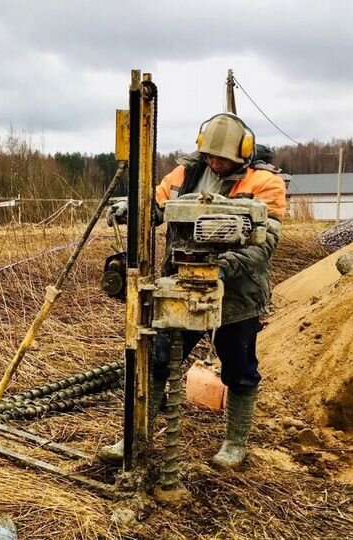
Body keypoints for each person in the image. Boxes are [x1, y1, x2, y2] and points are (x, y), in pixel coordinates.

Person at [100, 113, 286, 469]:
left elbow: (266, 242)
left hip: (237, 294)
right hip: (182, 285)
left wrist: (221, 266)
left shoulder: (265, 182)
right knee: (157, 364)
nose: (215, 163)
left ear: (243, 153)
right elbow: (154, 206)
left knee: (240, 369)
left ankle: (234, 444)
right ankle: (134, 439)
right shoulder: (185, 174)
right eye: (210, 156)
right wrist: (131, 208)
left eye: (222, 158)